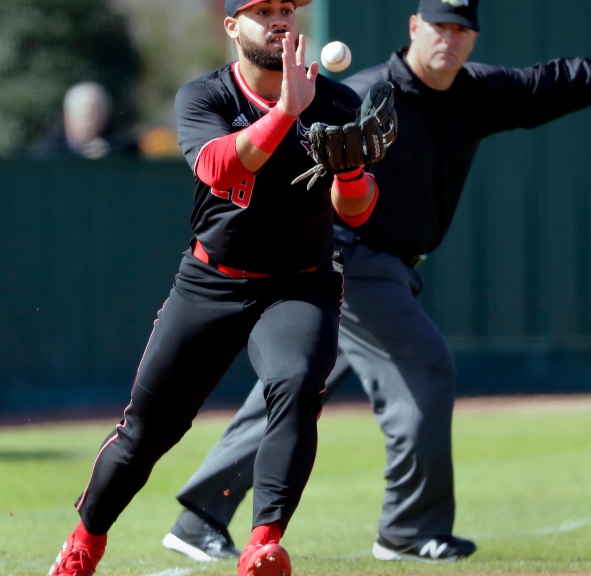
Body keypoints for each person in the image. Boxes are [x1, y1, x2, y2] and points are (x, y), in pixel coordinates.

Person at [161, 0, 591, 564]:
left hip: (388, 265)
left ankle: (200, 515)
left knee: (294, 390)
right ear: (413, 29)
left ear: (472, 38)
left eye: (461, 29)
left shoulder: (476, 92)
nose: (449, 39)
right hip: (351, 258)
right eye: (439, 26)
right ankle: (407, 529)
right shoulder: (365, 92)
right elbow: (278, 163)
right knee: (424, 367)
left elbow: (553, 83)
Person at [46, 1, 384, 575]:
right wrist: (285, 112)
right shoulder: (204, 97)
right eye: (263, 11)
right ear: (232, 27)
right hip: (213, 281)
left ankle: (263, 543)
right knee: (146, 433)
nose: (280, 20)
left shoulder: (336, 101)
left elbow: (357, 212)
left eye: (286, 9)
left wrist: (350, 173)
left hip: (298, 285)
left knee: (296, 384)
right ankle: (84, 542)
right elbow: (222, 169)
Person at [33, 81, 140, 159]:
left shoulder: (117, 142)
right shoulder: (50, 148)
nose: (93, 121)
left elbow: (132, 148)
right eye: (88, 114)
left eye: (100, 114)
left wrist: (110, 152)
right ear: (69, 116)